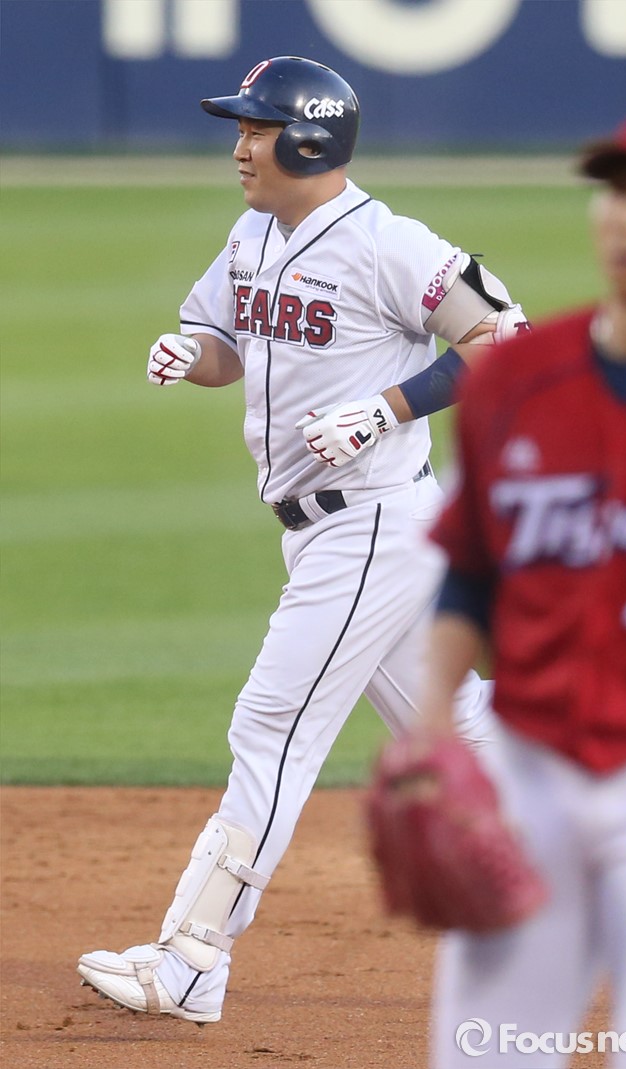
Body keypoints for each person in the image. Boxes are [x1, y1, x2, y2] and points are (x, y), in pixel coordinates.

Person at [77, 55, 528, 1024]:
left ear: (311, 139)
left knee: (271, 726)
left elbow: (503, 333)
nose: (240, 148)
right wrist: (190, 353)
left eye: (256, 129)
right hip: (332, 531)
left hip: (371, 523)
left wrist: (387, 407)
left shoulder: (386, 243)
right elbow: (226, 345)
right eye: (240, 129)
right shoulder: (253, 235)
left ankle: (191, 958)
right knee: (456, 726)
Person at [415, 98, 626, 1067]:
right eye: (616, 191)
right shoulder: (517, 379)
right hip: (528, 774)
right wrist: (428, 726)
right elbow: (468, 573)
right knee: (487, 1053)